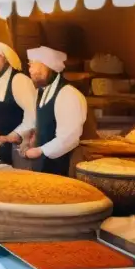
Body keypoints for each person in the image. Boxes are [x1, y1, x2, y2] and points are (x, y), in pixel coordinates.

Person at [23, 46, 87, 175]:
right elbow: (44, 123)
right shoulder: (40, 92)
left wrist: (41, 150)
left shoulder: (68, 94)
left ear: (47, 67)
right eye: (29, 65)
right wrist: (31, 137)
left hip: (62, 168)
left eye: (33, 65)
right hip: (42, 167)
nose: (30, 70)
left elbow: (69, 138)